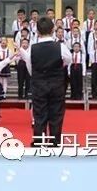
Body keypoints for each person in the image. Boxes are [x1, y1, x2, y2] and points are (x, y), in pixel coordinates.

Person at [15, 16, 71, 146]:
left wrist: (38, 75)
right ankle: (55, 141)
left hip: (39, 84)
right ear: (53, 30)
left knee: (39, 114)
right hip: (56, 83)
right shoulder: (60, 47)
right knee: (56, 114)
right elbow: (68, 60)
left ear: (37, 32)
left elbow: (30, 67)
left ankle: (39, 141)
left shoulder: (32, 48)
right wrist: (58, 66)